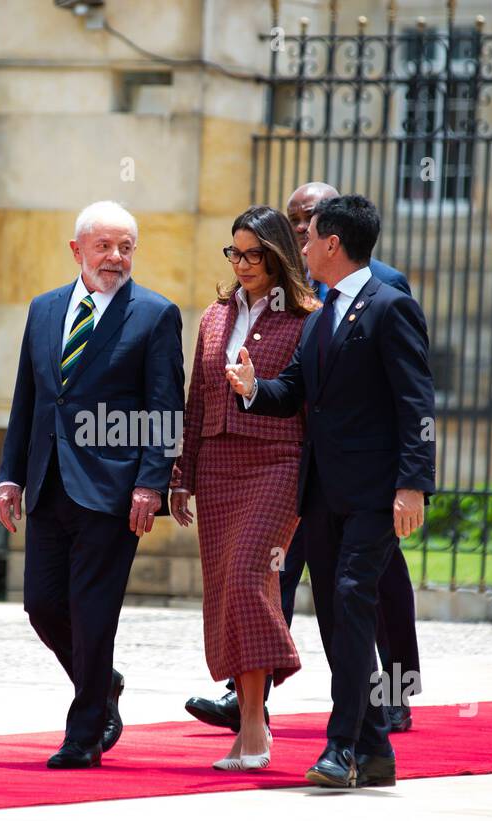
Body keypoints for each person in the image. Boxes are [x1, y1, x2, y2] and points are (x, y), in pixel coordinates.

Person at [184, 180, 424, 734]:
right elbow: (288, 387)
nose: (299, 230)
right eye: (293, 219)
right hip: (305, 481)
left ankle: (390, 697)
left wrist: (411, 481)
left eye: (308, 221)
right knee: (279, 583)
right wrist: (250, 389)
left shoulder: (385, 293)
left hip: (355, 478)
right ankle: (255, 697)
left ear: (333, 236)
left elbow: (412, 398)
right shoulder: (311, 308)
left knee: (370, 590)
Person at [0, 200, 185, 769]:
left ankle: (85, 735)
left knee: (94, 610)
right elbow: (27, 399)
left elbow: (164, 408)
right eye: (104, 246)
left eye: (126, 246)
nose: (116, 257)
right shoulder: (45, 309)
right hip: (49, 483)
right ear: (77, 250)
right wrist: (10, 475)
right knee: (42, 605)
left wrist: (152, 483)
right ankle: (103, 681)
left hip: (114, 492)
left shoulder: (154, 314)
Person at [169, 206, 319, 771]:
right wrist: (181, 476)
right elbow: (198, 400)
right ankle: (251, 725)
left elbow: (312, 404)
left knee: (247, 579)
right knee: (226, 591)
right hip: (218, 468)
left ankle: (255, 722)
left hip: (277, 463)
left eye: (255, 253)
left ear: (279, 253)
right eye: (236, 253)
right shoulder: (212, 316)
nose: (244, 264)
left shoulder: (307, 317)